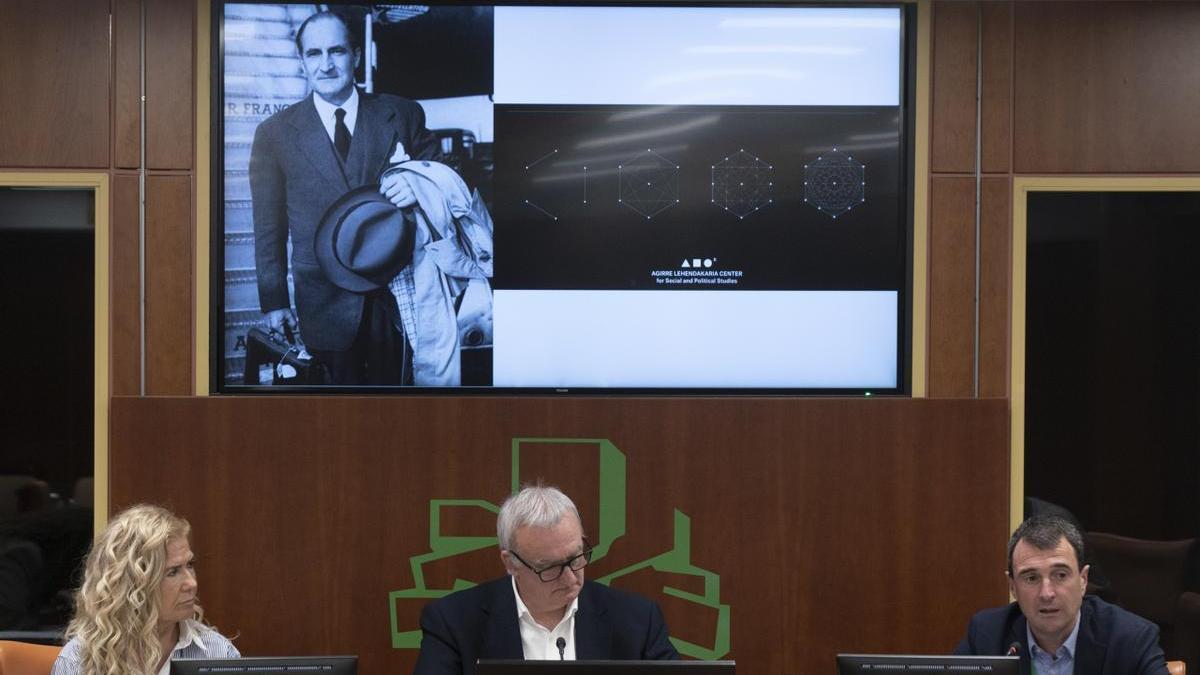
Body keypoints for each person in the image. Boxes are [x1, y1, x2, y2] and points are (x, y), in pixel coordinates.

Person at [250, 10, 441, 385]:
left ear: (355, 56)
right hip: (323, 306)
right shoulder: (274, 134)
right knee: (333, 414)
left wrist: (420, 185)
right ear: (302, 61)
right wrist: (274, 302)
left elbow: (450, 181)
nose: (326, 65)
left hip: (398, 300)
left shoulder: (402, 114)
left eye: (336, 51)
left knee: (400, 408)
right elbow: (268, 228)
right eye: (314, 53)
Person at [413, 485, 679, 675]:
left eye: (576, 557)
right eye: (550, 567)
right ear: (511, 563)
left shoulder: (637, 620)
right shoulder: (453, 623)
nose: (571, 577)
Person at [954, 514, 1169, 675]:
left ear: (1083, 580)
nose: (1047, 593)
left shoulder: (1128, 638)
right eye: (1031, 578)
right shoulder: (987, 635)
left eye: (1060, 575)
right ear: (1013, 587)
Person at [52, 505, 239, 675]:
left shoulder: (218, 654)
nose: (192, 583)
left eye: (189, 565)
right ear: (133, 584)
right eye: (173, 572)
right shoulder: (79, 659)